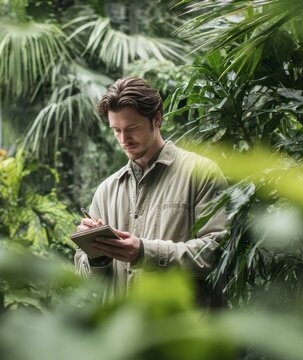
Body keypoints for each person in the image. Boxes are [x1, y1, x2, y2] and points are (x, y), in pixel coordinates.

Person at [74, 77, 228, 307]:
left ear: (157, 118)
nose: (124, 140)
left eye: (132, 128)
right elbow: (87, 282)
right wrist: (97, 255)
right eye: (116, 130)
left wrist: (144, 252)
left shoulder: (202, 173)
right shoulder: (106, 191)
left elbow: (219, 253)